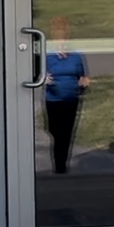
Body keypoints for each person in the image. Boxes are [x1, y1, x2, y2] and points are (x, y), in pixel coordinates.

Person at [42, 16, 90, 174]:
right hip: (53, 98)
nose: (62, 45)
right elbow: (37, 75)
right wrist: (44, 79)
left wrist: (84, 82)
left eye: (64, 41)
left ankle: (60, 163)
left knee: (66, 131)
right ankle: (60, 157)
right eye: (59, 41)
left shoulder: (76, 56)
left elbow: (82, 75)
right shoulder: (48, 56)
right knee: (55, 130)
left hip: (71, 98)